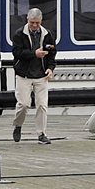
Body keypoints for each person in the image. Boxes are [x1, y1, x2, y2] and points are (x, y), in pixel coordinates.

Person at [11, 8, 57, 145]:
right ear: (27, 20)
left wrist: (50, 68)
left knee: (42, 105)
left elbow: (52, 52)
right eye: (32, 23)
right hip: (23, 74)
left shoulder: (47, 34)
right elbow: (17, 53)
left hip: (41, 74)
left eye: (37, 23)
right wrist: (34, 54)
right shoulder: (19, 34)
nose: (35, 25)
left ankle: (41, 133)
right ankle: (18, 125)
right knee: (23, 104)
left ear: (41, 21)